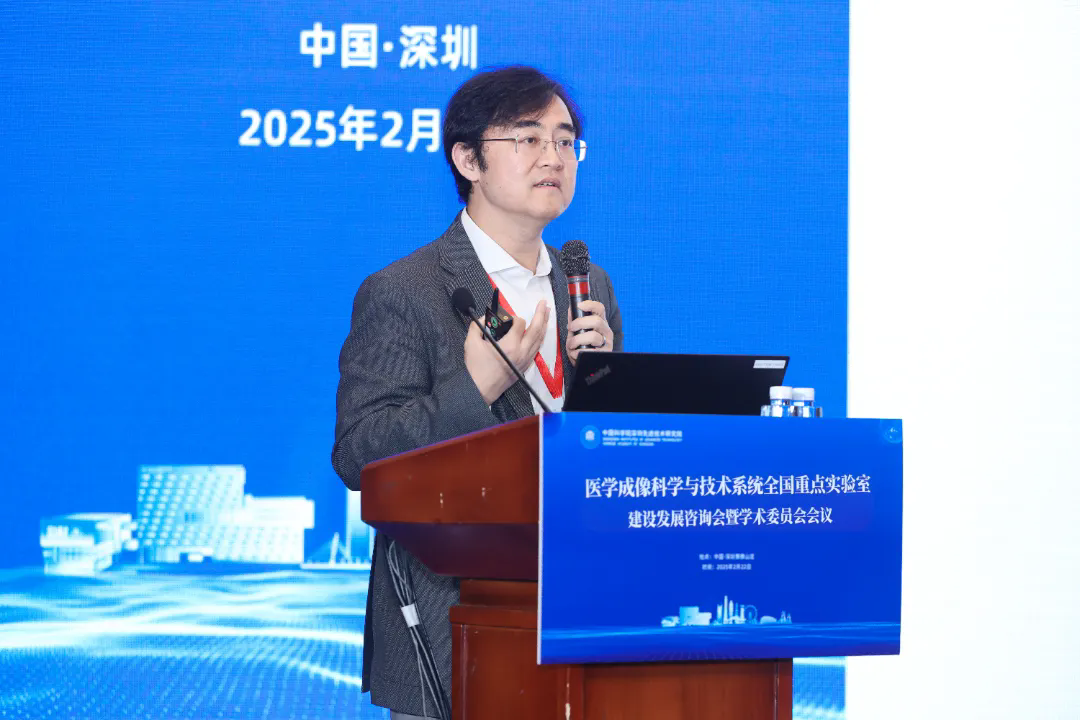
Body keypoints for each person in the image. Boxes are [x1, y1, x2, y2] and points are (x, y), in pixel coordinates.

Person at [332, 65, 623, 719]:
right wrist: (474, 388)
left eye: (565, 140)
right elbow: (358, 454)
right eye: (527, 138)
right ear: (468, 160)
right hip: (450, 624)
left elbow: (599, 457)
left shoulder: (588, 285)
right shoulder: (406, 291)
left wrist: (608, 383)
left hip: (577, 608)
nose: (553, 157)